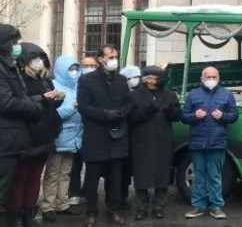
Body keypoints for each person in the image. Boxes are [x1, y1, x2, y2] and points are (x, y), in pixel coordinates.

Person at [6, 43, 65, 227]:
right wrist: (42, 98)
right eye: (34, 58)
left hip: (44, 134)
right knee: (20, 177)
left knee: (35, 176)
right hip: (26, 134)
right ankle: (14, 216)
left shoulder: (45, 79)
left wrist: (57, 99)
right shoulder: (17, 78)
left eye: (40, 58)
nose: (38, 62)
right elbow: (16, 102)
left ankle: (28, 214)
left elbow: (49, 106)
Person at [77, 45, 132, 227]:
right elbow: (83, 106)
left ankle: (113, 210)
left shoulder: (122, 80)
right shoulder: (86, 80)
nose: (114, 59)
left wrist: (120, 113)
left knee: (115, 178)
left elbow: (128, 104)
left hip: (117, 135)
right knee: (92, 178)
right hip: (96, 135)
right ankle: (91, 213)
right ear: (101, 59)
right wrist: (103, 114)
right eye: (111, 56)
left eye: (115, 56)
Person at [181, 66, 238, 220]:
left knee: (215, 176)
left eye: (214, 77)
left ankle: (216, 207)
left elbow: (234, 115)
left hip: (217, 142)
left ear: (218, 78)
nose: (211, 80)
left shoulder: (226, 95)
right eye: (208, 77)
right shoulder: (193, 94)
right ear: (202, 78)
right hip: (197, 142)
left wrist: (223, 116)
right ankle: (198, 206)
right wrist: (194, 115)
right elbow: (184, 117)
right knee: (199, 175)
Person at [0, 25, 43, 227]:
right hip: (4, 140)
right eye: (15, 43)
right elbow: (6, 102)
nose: (18, 47)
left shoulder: (9, 65)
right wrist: (34, 106)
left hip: (13, 139)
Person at [127, 66, 180, 220]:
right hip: (141, 141)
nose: (158, 80)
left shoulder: (170, 95)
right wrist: (148, 110)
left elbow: (177, 115)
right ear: (147, 79)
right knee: (141, 174)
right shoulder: (134, 95)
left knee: (161, 174)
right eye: (156, 76)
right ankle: (141, 207)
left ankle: (158, 206)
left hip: (162, 139)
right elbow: (131, 118)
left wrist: (172, 112)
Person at [41, 56, 84, 222]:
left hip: (74, 137)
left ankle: (62, 203)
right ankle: (48, 206)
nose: (73, 72)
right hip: (59, 136)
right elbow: (54, 113)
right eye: (70, 69)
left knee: (65, 173)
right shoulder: (53, 85)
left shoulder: (78, 85)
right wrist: (73, 108)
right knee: (53, 173)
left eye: (75, 68)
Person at [103, 65, 141, 210]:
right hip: (116, 135)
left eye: (137, 77)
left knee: (125, 171)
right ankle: (111, 199)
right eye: (131, 78)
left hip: (132, 137)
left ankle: (123, 197)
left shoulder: (139, 93)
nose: (135, 81)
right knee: (112, 171)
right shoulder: (117, 92)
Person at [68, 56, 98, 206]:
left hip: (93, 130)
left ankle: (88, 191)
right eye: (85, 65)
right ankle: (73, 191)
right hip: (75, 130)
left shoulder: (100, 83)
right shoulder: (75, 83)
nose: (89, 68)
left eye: (92, 65)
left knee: (92, 165)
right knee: (75, 163)